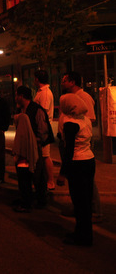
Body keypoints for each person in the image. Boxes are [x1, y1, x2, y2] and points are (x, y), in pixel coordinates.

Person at [60, 71, 102, 223]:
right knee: (78, 184)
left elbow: (88, 118)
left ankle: (94, 210)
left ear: (72, 82)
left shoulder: (83, 98)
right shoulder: (70, 98)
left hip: (80, 147)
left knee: (86, 182)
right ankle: (80, 208)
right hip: (71, 140)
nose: (62, 82)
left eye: (65, 80)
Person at [57, 93, 95, 246]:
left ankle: (83, 236)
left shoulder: (70, 124)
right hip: (89, 160)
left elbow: (69, 150)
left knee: (79, 202)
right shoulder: (85, 119)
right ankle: (83, 232)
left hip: (77, 163)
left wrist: (62, 173)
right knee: (86, 200)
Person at [13, 86, 55, 212]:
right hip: (23, 149)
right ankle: (27, 198)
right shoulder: (21, 110)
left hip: (34, 148)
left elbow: (43, 129)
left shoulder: (36, 110)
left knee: (37, 175)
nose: (15, 98)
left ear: (21, 96)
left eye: (16, 95)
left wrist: (36, 141)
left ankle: (39, 200)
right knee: (24, 175)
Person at [34, 70, 56, 190]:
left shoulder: (46, 93)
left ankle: (50, 181)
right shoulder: (41, 92)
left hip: (44, 129)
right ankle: (42, 179)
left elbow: (43, 112)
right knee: (42, 155)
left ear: (37, 79)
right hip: (41, 128)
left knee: (46, 155)